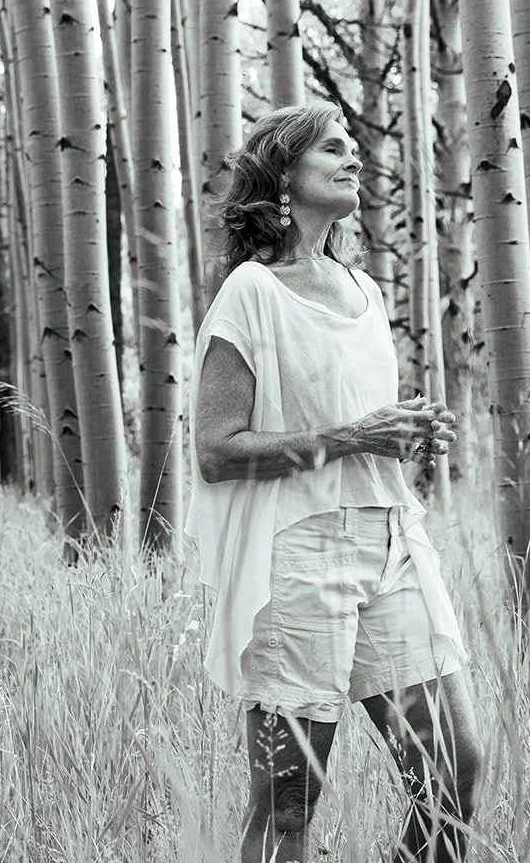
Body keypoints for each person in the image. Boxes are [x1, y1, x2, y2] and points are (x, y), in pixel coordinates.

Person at [189, 101, 484, 863]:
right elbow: (216, 449)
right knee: (289, 804)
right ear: (283, 174)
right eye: (332, 148)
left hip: (392, 543)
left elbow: (357, 421)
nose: (354, 158)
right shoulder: (251, 291)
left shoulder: (365, 290)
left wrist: (402, 432)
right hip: (299, 553)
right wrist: (353, 436)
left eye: (354, 147)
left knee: (454, 767)